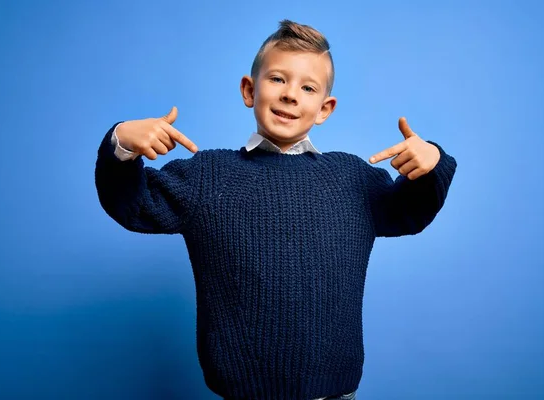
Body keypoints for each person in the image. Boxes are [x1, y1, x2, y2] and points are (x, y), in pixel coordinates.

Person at [95, 19, 457, 400]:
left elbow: (411, 211)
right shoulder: (208, 175)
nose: (290, 95)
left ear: (324, 108)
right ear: (249, 90)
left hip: (334, 393)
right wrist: (121, 145)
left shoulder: (353, 179)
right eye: (277, 79)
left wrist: (432, 163)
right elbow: (132, 206)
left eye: (308, 87)